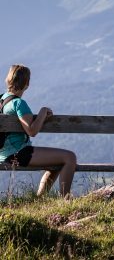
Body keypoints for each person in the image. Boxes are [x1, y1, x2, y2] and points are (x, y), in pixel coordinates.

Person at [0, 64, 76, 197]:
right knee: (69, 157)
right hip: (19, 153)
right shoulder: (19, 103)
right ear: (27, 84)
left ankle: (39, 199)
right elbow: (32, 131)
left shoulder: (1, 99)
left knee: (56, 164)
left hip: (5, 153)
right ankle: (66, 201)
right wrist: (43, 111)